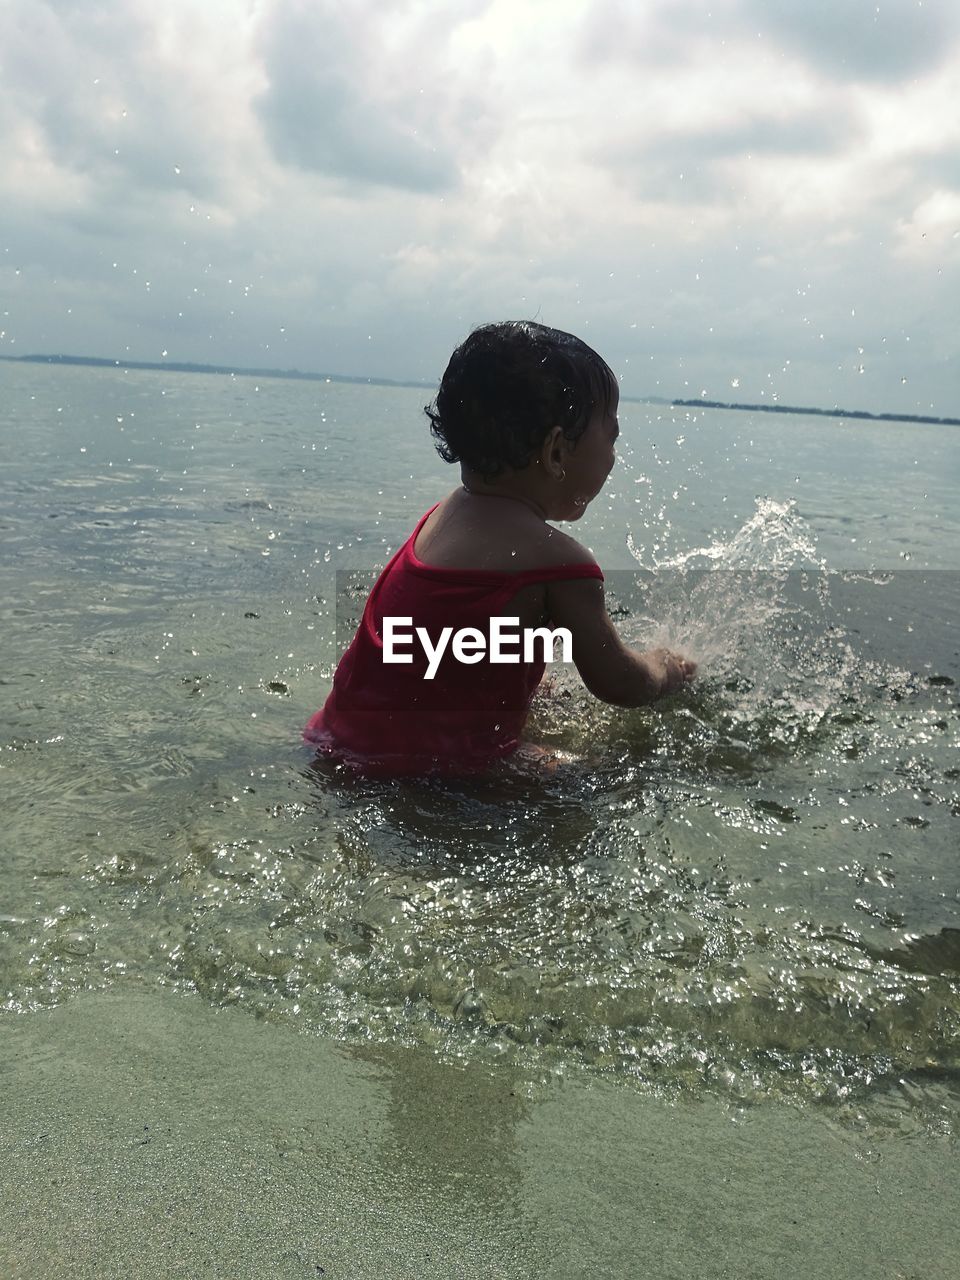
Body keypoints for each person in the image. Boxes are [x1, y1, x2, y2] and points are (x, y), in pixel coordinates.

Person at [303, 320, 696, 775]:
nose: (613, 456)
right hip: (438, 773)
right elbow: (623, 684)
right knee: (604, 772)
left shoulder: (439, 519)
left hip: (333, 742)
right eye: (611, 437)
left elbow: (449, 640)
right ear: (555, 452)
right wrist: (665, 668)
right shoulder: (559, 562)